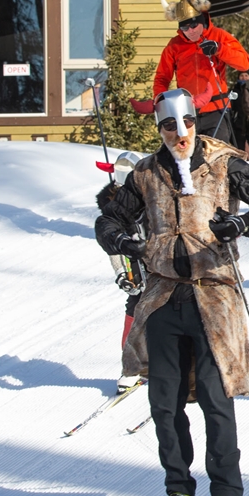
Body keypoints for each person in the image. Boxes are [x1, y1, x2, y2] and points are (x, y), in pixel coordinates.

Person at [94, 88, 249, 496]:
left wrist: (241, 224)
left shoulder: (224, 163)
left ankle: (226, 493)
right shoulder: (144, 173)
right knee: (164, 403)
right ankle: (178, 489)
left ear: (196, 123)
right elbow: (108, 221)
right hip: (163, 297)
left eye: (185, 126)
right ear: (158, 129)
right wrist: (123, 243)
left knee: (216, 402)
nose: (178, 136)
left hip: (214, 296)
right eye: (167, 127)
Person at [154, 0, 249, 145]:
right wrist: (161, 105)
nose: (190, 31)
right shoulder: (174, 46)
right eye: (185, 28)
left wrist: (219, 49)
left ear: (202, 21)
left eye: (194, 26)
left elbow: (244, 64)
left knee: (217, 157)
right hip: (187, 113)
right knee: (190, 160)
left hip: (216, 111)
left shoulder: (218, 36)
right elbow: (162, 78)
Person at [95, 151, 147, 394]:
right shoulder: (112, 206)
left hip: (164, 267)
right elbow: (112, 245)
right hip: (136, 270)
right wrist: (120, 274)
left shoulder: (154, 193)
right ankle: (132, 369)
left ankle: (183, 367)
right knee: (134, 312)